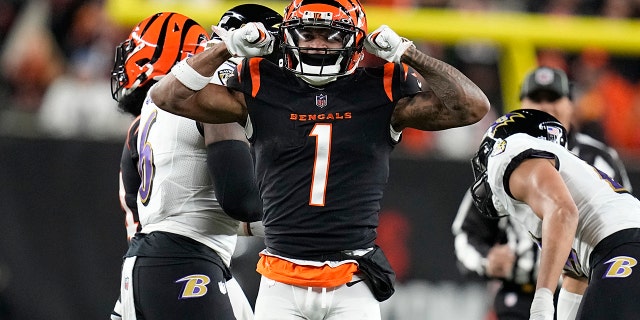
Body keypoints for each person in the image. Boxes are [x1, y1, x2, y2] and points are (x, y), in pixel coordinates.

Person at [150, 0, 490, 318]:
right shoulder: (261, 85)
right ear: (287, 36)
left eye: (331, 35)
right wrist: (227, 47)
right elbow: (167, 96)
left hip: (352, 281)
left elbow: (473, 106)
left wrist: (408, 53)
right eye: (307, 33)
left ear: (353, 41)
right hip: (280, 279)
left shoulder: (382, 89)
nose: (317, 44)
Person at [108, 7, 281, 319]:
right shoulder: (218, 87)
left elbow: (199, 205)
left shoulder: (160, 101)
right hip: (183, 263)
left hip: (155, 262)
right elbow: (240, 199)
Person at [452, 66, 633, 320]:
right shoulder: (528, 162)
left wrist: (543, 300)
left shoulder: (512, 156)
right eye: (537, 99)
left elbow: (566, 212)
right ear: (523, 105)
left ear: (571, 105)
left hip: (595, 272)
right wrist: (487, 260)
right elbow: (467, 232)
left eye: (553, 98)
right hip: (532, 289)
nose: (545, 106)